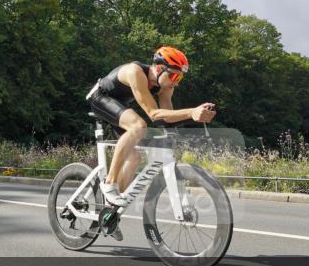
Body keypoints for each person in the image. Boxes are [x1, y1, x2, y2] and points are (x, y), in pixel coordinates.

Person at [86, 46, 216, 240]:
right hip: (101, 97)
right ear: (158, 68)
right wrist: (191, 112)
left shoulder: (165, 87)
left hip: (120, 105)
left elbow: (166, 119)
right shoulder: (135, 71)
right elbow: (154, 115)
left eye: (179, 78)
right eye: (173, 76)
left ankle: (110, 212)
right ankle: (110, 183)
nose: (175, 83)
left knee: (135, 156)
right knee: (138, 126)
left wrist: (180, 131)